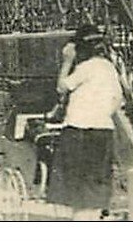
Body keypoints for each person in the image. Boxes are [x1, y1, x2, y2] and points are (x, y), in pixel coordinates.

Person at [49, 24, 121, 220]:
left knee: (76, 178)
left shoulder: (84, 68)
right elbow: (117, 99)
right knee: (97, 177)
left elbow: (61, 87)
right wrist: (102, 113)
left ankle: (81, 220)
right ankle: (94, 216)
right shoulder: (109, 68)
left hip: (79, 129)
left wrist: (66, 61)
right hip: (103, 128)